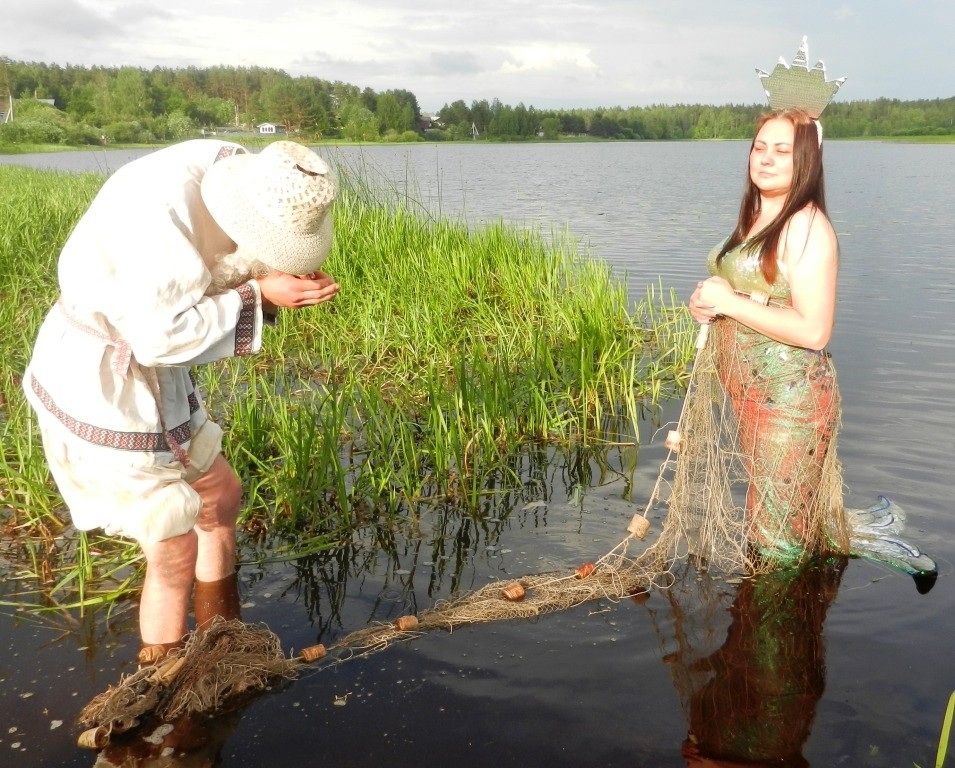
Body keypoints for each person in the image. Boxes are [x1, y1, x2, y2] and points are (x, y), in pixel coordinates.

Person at [23, 139, 340, 665]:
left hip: (157, 375)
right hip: (105, 381)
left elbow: (218, 263)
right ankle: (164, 687)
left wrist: (274, 276)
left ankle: (223, 637)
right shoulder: (157, 214)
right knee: (171, 544)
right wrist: (261, 295)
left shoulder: (238, 169)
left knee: (219, 496)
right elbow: (156, 336)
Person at [687, 108, 843, 561]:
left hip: (790, 402)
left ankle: (780, 627)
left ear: (807, 162)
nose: (766, 159)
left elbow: (814, 330)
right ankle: (770, 623)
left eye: (782, 151)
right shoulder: (756, 215)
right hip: (752, 394)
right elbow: (746, 293)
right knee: (770, 520)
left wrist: (731, 304)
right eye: (760, 147)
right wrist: (704, 305)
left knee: (776, 540)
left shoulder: (807, 226)